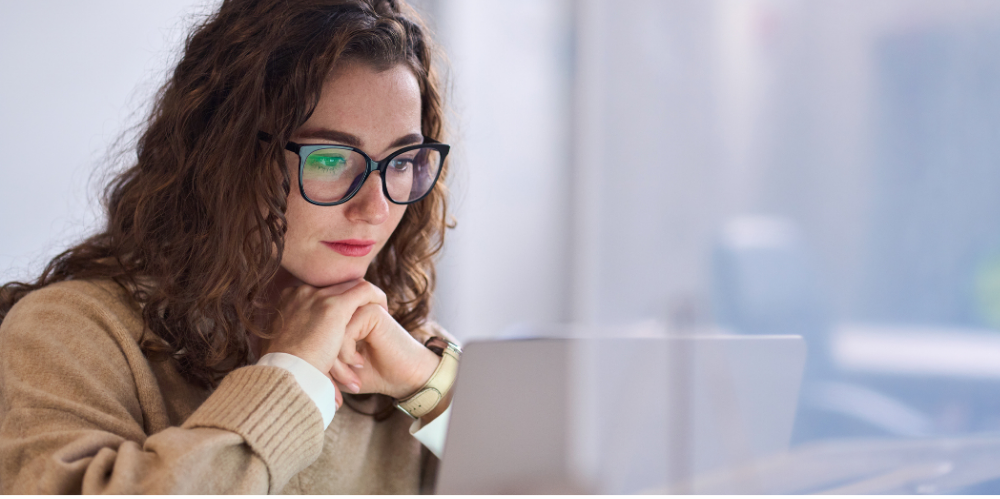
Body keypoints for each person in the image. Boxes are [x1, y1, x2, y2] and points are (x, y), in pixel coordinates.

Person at [0, 0, 459, 493]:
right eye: (330, 159)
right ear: (228, 157)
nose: (375, 209)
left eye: (401, 161)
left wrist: (434, 389)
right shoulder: (66, 335)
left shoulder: (399, 349)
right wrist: (292, 377)